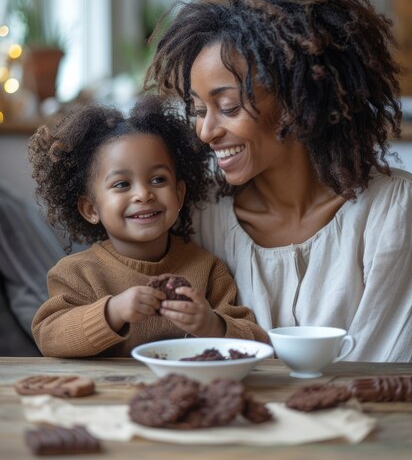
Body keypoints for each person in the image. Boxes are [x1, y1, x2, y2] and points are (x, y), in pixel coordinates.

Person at [144, 0, 412, 363]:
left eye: (229, 107)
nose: (206, 130)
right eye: (199, 110)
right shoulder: (201, 216)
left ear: (295, 103)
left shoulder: (393, 210)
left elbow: (383, 365)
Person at [29, 95, 268, 357]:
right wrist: (113, 312)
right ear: (91, 209)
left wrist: (211, 324)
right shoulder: (76, 274)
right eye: (122, 184)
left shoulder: (208, 269)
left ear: (178, 194)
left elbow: (256, 341)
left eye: (157, 179)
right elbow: (50, 337)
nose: (143, 194)